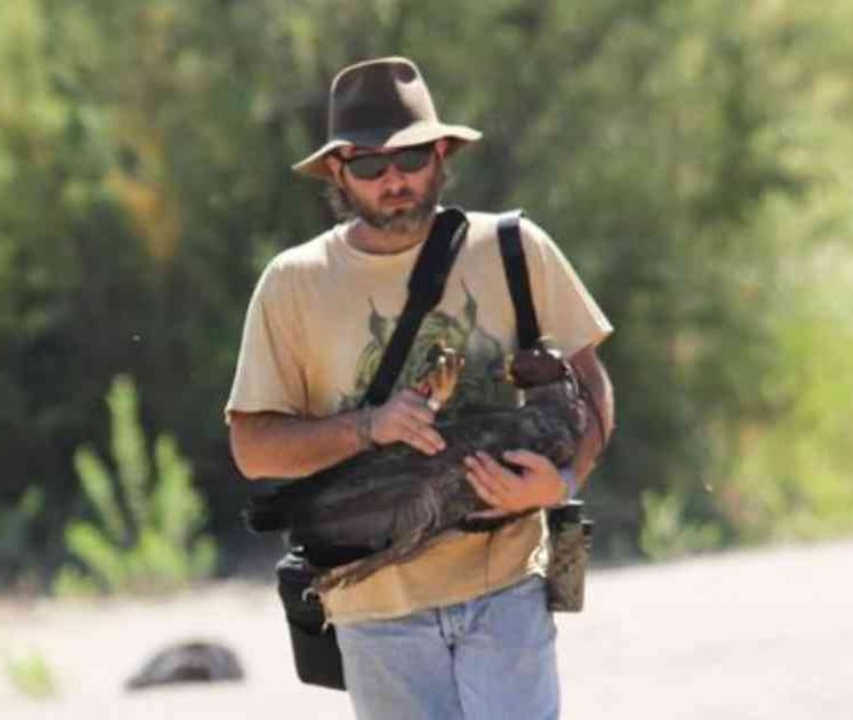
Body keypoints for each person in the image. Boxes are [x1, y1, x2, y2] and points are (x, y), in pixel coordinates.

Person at [225, 56, 614, 719]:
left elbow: (592, 390)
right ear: (339, 172)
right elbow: (254, 449)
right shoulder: (293, 285)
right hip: (376, 611)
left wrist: (563, 486)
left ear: (440, 153)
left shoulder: (515, 249)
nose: (394, 181)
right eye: (371, 166)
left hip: (507, 588)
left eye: (408, 158)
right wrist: (367, 427)